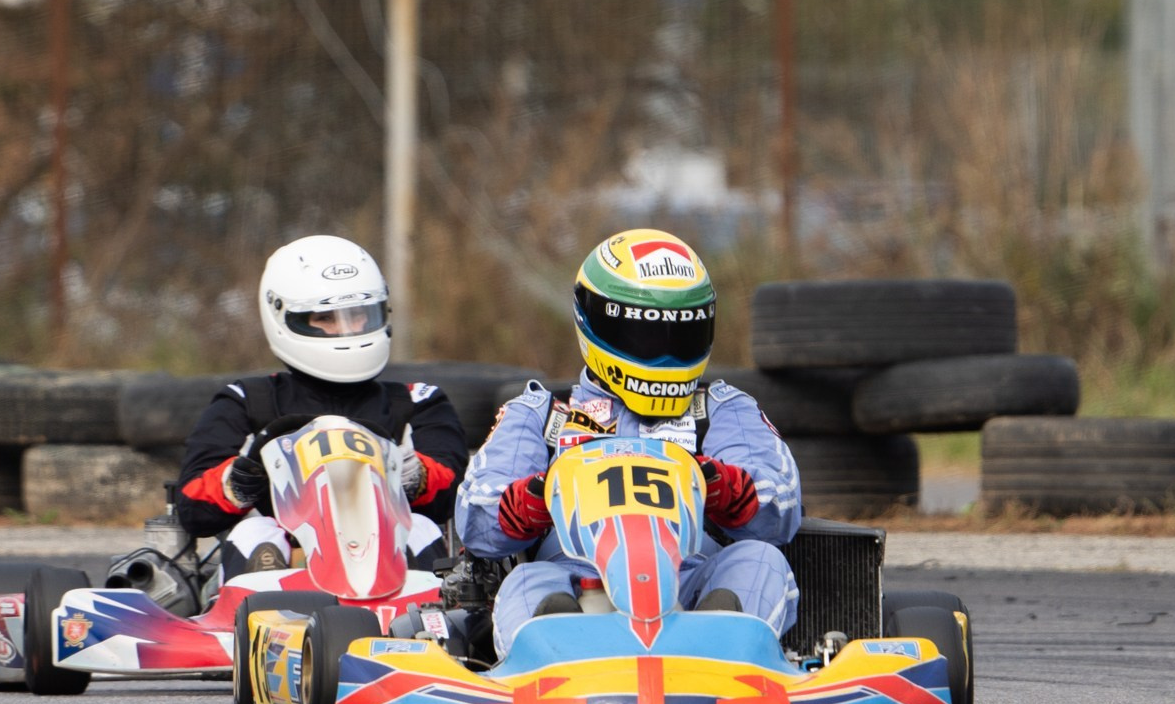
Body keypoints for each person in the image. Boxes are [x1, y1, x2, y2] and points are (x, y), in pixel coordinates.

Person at [457, 229, 799, 658]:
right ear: (594, 322)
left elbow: (782, 508)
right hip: (576, 582)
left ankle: (721, 650)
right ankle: (557, 653)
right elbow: (476, 517)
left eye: (680, 338)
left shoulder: (720, 410)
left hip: (690, 586)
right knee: (527, 582)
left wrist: (727, 488)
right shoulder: (544, 416)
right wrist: (529, 501)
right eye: (647, 338)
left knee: (761, 562)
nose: (666, 355)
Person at [174, 234, 467, 573]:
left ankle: (423, 623)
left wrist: (414, 476)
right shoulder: (247, 401)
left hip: (385, 550)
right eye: (327, 319)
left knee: (421, 529)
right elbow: (192, 508)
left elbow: (457, 498)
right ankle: (264, 617)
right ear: (285, 318)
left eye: (360, 315)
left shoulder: (417, 402)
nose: (348, 330)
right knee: (255, 533)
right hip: (289, 555)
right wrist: (239, 481)